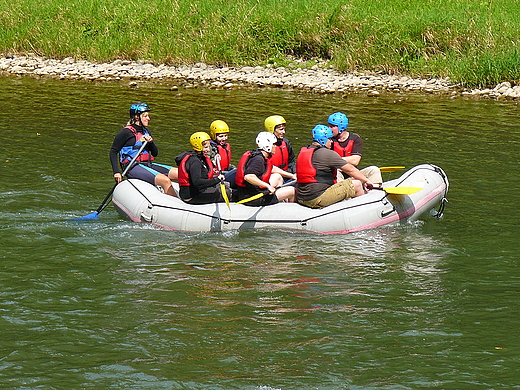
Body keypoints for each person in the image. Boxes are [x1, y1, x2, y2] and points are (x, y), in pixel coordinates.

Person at [296, 124, 373, 209]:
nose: (332, 141)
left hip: (302, 197)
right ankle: (363, 211)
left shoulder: (304, 151)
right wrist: (366, 181)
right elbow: (351, 170)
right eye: (329, 139)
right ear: (323, 140)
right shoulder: (327, 154)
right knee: (357, 184)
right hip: (317, 198)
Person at [110, 103, 178, 196]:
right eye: (145, 116)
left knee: (180, 173)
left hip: (147, 164)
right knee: (165, 180)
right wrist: (116, 172)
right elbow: (113, 152)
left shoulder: (146, 131)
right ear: (137, 117)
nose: (148, 118)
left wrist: (151, 142)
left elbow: (155, 153)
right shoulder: (125, 132)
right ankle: (174, 205)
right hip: (132, 167)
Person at [235, 131, 296, 206]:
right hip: (253, 198)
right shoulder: (258, 159)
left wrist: (291, 176)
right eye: (273, 144)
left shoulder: (261, 156)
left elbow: (271, 168)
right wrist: (268, 186)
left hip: (254, 191)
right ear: (267, 146)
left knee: (278, 177)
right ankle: (288, 212)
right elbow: (248, 177)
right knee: (292, 191)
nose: (275, 147)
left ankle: (279, 203)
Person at [175, 132, 231, 204]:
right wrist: (217, 180)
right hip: (192, 196)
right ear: (198, 146)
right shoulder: (195, 161)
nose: (208, 150)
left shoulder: (201, 158)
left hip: (199, 190)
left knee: (228, 185)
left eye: (209, 147)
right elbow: (197, 182)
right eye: (206, 147)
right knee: (229, 192)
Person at [327, 112, 382, 184]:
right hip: (338, 173)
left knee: (374, 170)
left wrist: (335, 160)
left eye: (332, 126)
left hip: (353, 173)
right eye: (329, 126)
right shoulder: (328, 140)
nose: (329, 129)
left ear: (341, 127)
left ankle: (374, 191)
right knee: (336, 171)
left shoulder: (355, 138)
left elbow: (355, 161)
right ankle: (342, 192)